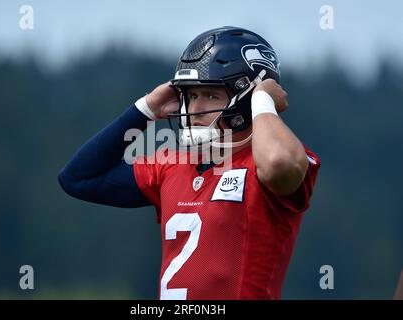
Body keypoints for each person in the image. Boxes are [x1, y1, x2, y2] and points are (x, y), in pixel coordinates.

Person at [58, 26, 320, 300]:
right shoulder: (172, 166)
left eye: (210, 95)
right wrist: (145, 109)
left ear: (246, 99)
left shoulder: (273, 162)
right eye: (192, 95)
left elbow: (278, 163)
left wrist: (263, 102)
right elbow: (77, 178)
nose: (194, 109)